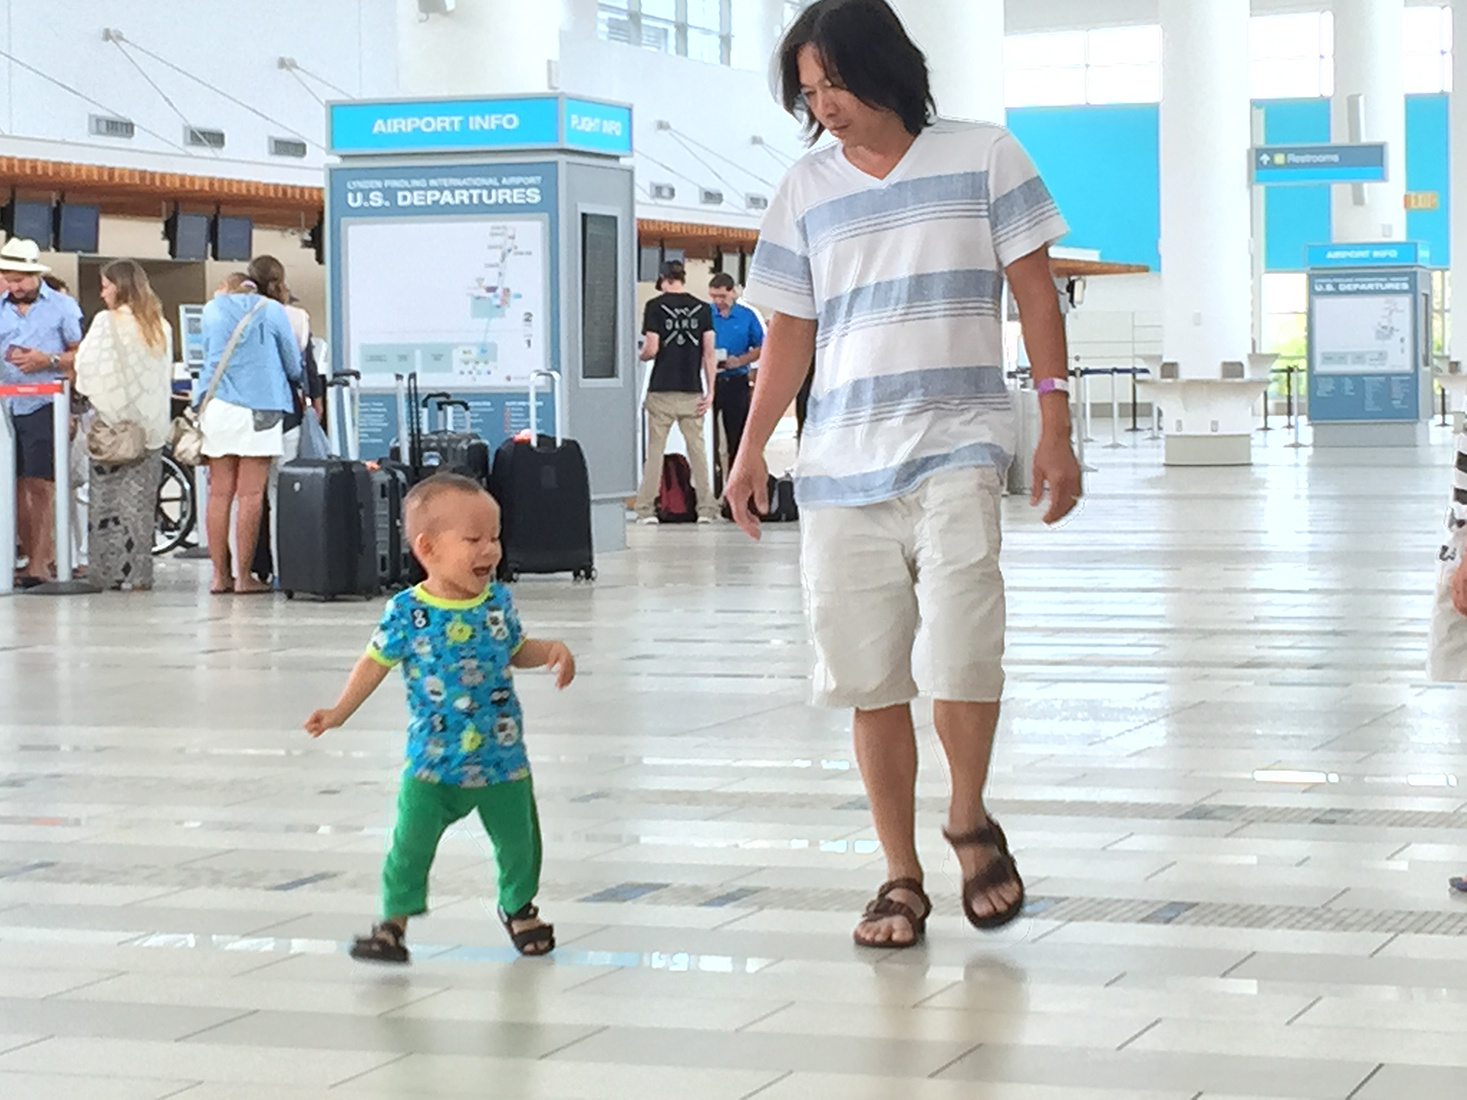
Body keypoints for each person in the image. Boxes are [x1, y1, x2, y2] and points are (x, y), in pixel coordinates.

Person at [725, 0, 1083, 948]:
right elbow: (790, 331)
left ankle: (967, 817)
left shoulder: (983, 155)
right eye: (808, 92)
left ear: (884, 68)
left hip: (960, 443)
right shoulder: (804, 186)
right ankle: (898, 876)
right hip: (840, 465)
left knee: (965, 648)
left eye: (833, 83)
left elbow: (1036, 298)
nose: (823, 106)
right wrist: (752, 444)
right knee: (868, 677)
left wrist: (1053, 423)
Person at [303, 473, 575, 963]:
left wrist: (550, 650)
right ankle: (393, 924)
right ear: (427, 547)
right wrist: (339, 710)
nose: (489, 550)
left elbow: (515, 650)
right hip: (433, 760)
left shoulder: (498, 602)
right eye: (473, 540)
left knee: (520, 841)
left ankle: (519, 907)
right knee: (410, 843)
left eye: (494, 537)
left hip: (501, 757)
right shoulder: (407, 612)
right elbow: (374, 663)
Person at [196, 262, 302, 595]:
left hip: (218, 407)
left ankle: (218, 575)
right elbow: (292, 362)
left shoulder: (211, 309)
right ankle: (243, 577)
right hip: (261, 406)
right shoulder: (271, 310)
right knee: (251, 495)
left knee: (219, 493)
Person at [73, 260, 174, 591]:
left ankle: (107, 572)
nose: (102, 293)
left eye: (105, 285)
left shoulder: (106, 322)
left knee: (106, 505)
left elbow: (87, 370)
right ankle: (139, 573)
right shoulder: (161, 325)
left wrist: (107, 406)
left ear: (120, 286)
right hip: (151, 431)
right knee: (141, 506)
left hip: (114, 430)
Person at [0, 238, 83, 588]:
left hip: (46, 404)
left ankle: (40, 562)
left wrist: (45, 360)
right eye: (9, 278)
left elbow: (79, 355)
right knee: (12, 485)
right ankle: (24, 555)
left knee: (40, 484)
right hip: (6, 407)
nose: (15, 286)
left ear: (36, 276)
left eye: (21, 279)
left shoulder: (63, 307)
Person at [632, 261, 718, 524]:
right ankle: (706, 509)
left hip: (661, 389)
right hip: (692, 389)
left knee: (655, 452)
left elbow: (653, 347)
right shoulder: (702, 308)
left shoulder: (655, 307)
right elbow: (709, 352)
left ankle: (646, 510)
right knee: (698, 451)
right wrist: (710, 391)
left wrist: (639, 355)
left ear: (662, 279)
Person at [707, 273, 765, 491]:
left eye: (722, 296)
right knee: (709, 439)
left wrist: (741, 360)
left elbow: (762, 347)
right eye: (714, 296)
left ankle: (736, 487)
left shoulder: (746, 315)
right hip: (710, 380)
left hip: (736, 379)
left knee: (736, 437)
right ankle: (713, 487)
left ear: (732, 292)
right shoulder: (706, 314)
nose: (718, 301)